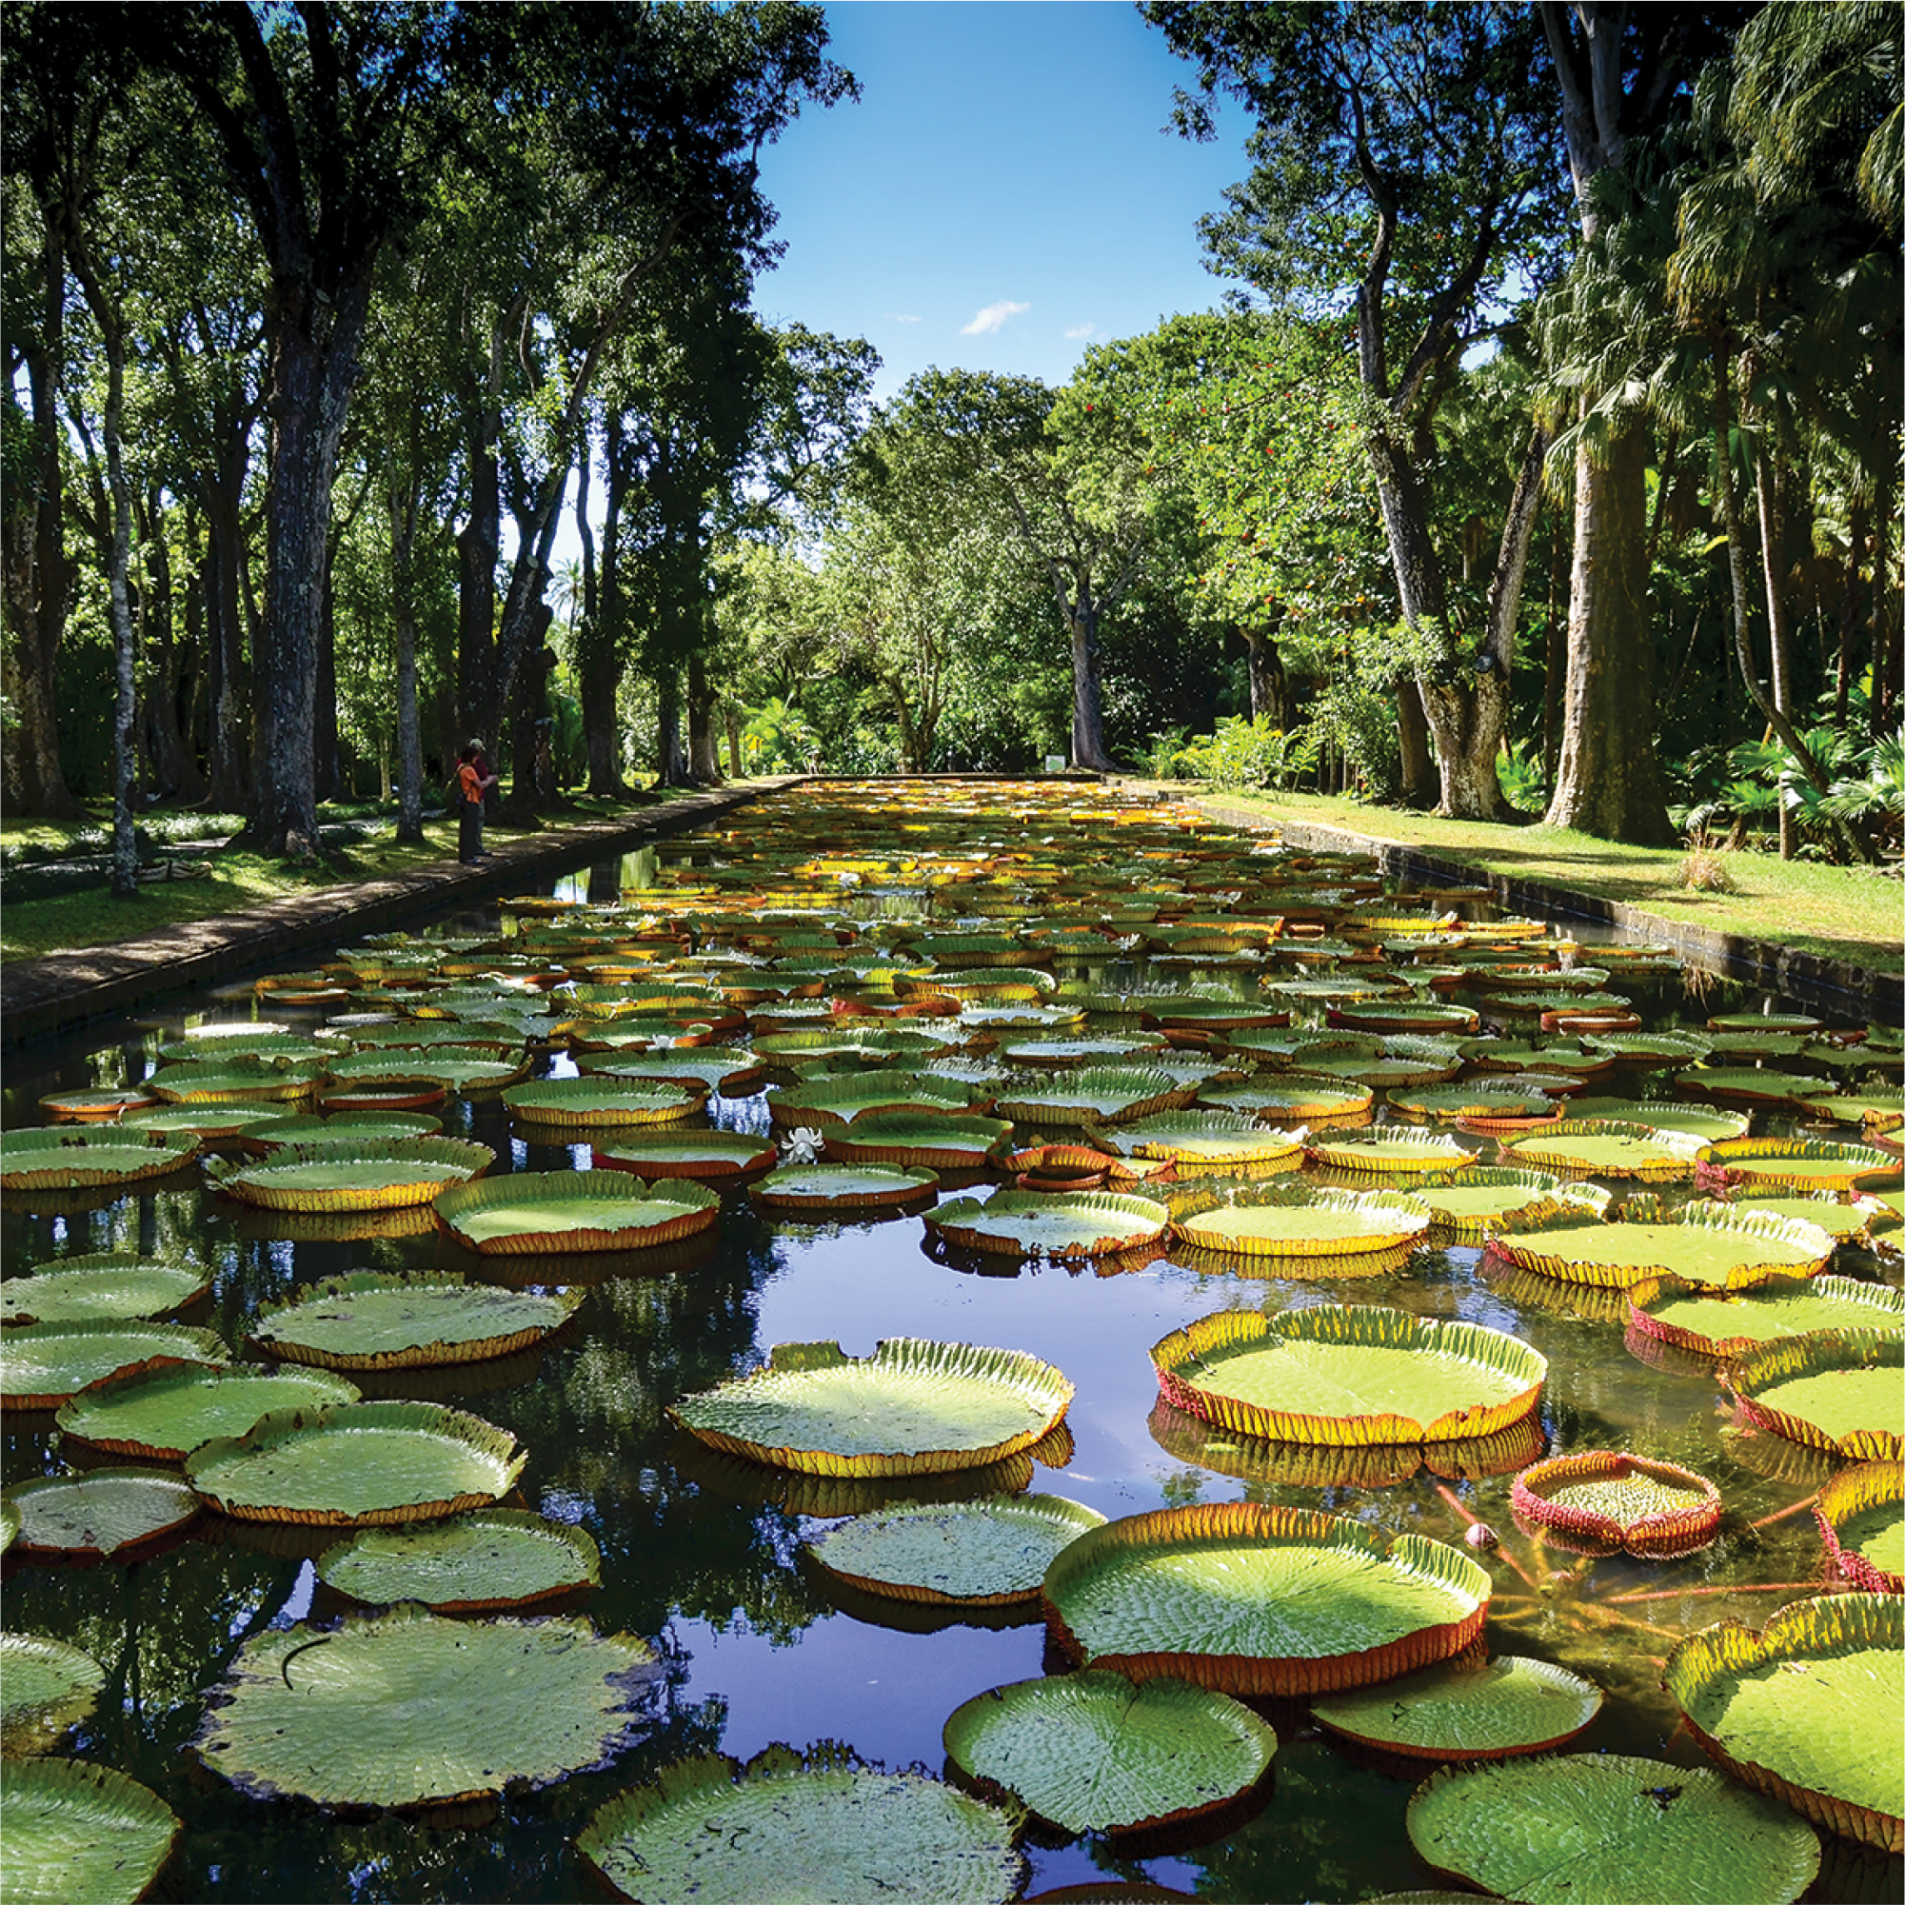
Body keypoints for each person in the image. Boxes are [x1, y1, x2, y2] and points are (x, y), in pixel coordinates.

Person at [456, 744, 496, 863]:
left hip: (468, 801)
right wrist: (490, 780)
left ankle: (465, 855)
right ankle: (468, 856)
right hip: (471, 801)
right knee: (470, 829)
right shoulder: (468, 770)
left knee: (466, 829)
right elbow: (480, 785)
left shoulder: (461, 768)